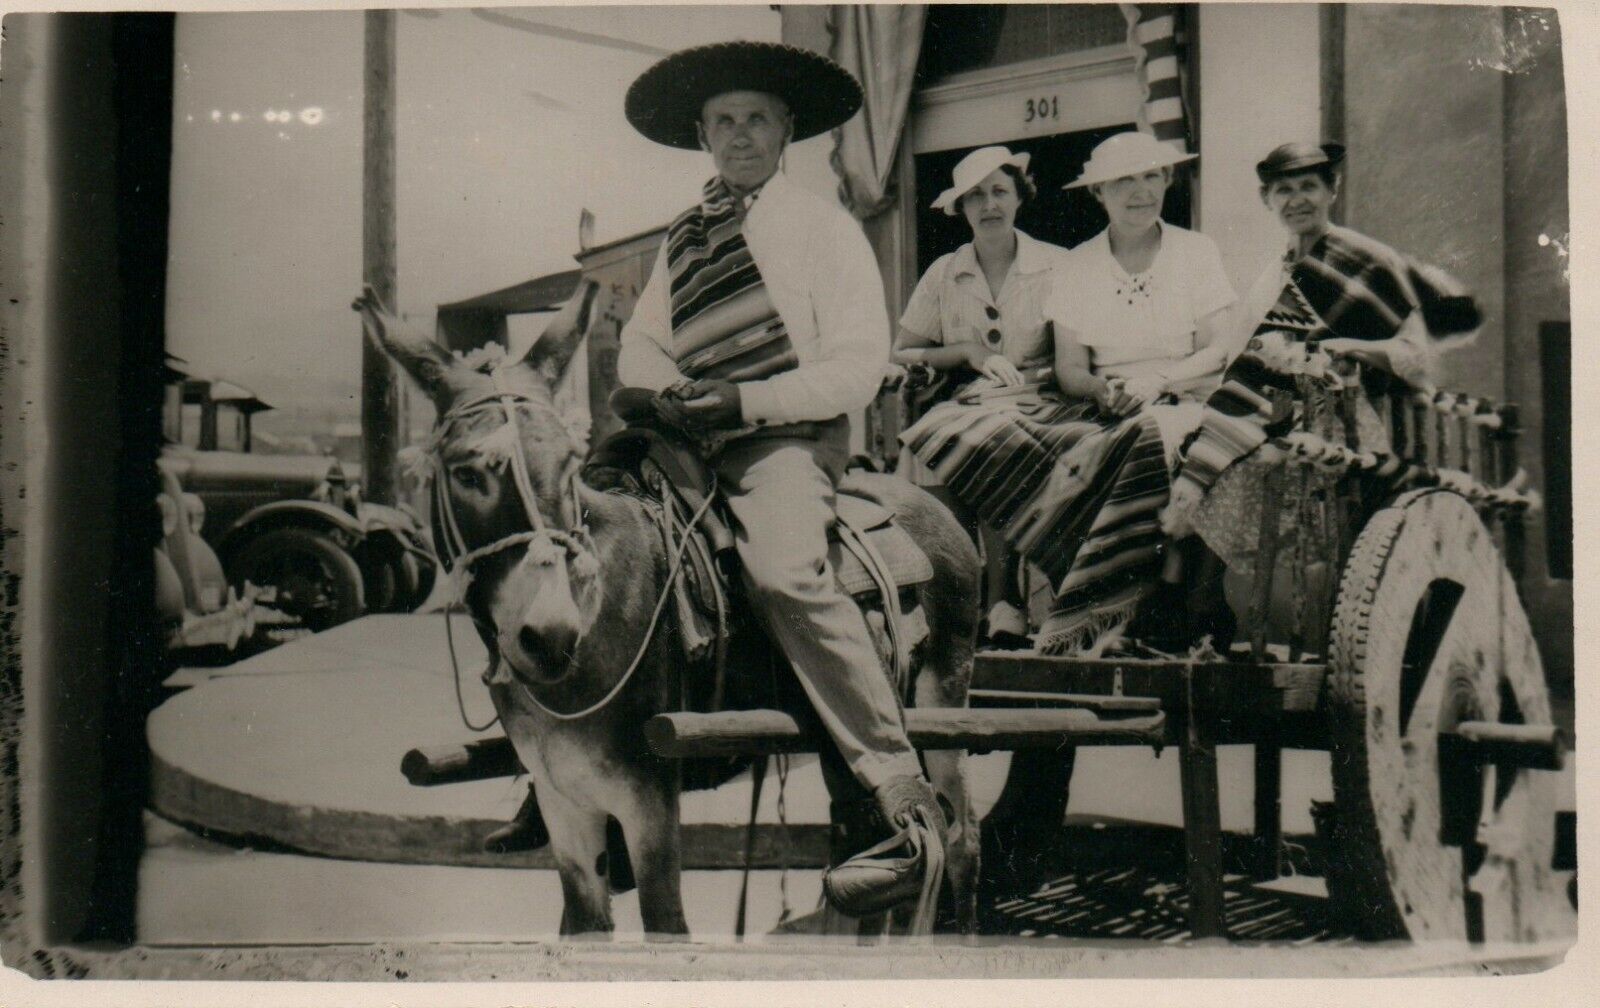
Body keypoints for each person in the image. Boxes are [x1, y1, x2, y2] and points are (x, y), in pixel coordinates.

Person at [612, 42, 948, 855]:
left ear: (787, 130)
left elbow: (858, 368)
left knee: (786, 574)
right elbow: (640, 343)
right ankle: (565, 767)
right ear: (701, 134)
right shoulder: (685, 235)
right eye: (722, 121)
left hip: (783, 445)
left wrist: (745, 400)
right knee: (586, 551)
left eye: (755, 119)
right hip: (687, 437)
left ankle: (892, 774)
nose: (739, 136)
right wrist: (665, 397)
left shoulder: (824, 228)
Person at [902, 130, 1236, 654]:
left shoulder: (1195, 251)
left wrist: (1158, 383)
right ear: (1098, 193)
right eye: (1123, 181)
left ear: (1168, 181)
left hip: (1184, 396)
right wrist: (1106, 391)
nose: (1139, 191)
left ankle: (1161, 597)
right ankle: (1037, 601)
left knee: (1142, 436)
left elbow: (1219, 351)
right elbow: (1072, 369)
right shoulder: (1078, 263)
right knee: (1043, 448)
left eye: (1151, 176)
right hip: (1107, 401)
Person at [1161, 142, 1475, 605]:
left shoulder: (1368, 261)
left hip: (1347, 419)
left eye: (1309, 186)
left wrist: (1348, 346)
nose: (1297, 200)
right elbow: (1237, 352)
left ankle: (1197, 609)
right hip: (1273, 411)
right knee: (1187, 450)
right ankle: (1189, 608)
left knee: (1232, 469)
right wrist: (1168, 384)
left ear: (1332, 190)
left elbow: (1414, 357)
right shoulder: (1274, 271)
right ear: (1267, 200)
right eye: (1283, 190)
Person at [892, 146, 1071, 647]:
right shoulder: (945, 273)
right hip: (966, 402)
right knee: (925, 445)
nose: (989, 205)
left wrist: (1031, 378)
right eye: (975, 197)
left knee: (993, 439)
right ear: (961, 208)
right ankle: (945, 598)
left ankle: (1003, 600)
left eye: (999, 191)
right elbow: (903, 352)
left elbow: (1082, 353)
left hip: (1042, 401)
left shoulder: (1055, 266)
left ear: (1018, 197)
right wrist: (967, 351)